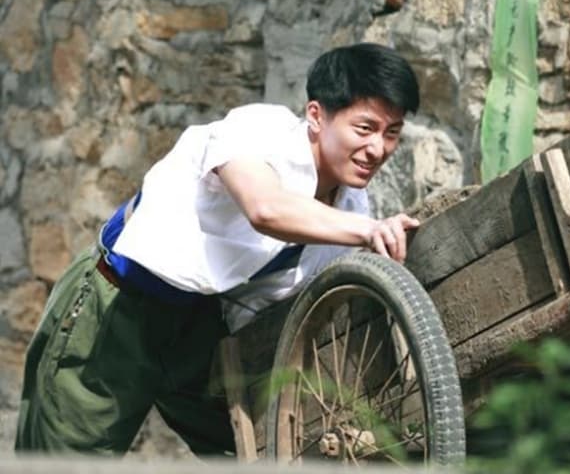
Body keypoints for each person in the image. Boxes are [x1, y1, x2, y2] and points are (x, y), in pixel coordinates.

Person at [15, 42, 422, 456]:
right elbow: (265, 208)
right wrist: (368, 231)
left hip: (203, 331)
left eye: (392, 133)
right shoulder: (260, 131)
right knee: (69, 458)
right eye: (365, 128)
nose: (378, 149)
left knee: (259, 448)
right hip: (120, 306)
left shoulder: (352, 206)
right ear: (317, 116)